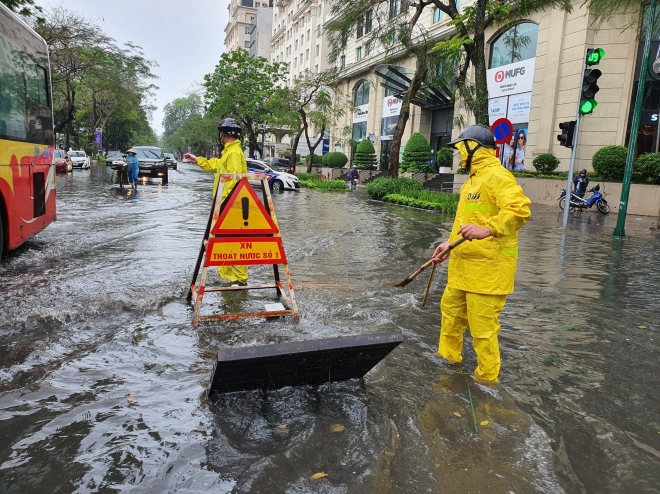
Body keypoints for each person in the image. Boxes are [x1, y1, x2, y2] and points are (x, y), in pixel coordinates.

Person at [432, 124, 531, 383]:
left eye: (460, 148)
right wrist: (448, 245)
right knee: (450, 318)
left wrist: (488, 230)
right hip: (461, 268)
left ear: (473, 147)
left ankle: (487, 384)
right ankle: (447, 367)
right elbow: (467, 223)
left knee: (483, 331)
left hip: (488, 274)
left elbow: (519, 211)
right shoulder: (472, 181)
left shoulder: (499, 177)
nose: (458, 154)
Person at [184, 118, 249, 287]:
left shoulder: (234, 153)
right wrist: (197, 160)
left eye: (220, 133)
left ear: (224, 134)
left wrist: (223, 204)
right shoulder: (229, 152)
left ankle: (240, 279)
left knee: (234, 241)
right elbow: (216, 165)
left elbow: (234, 180)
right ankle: (232, 277)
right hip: (228, 205)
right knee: (226, 240)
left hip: (230, 205)